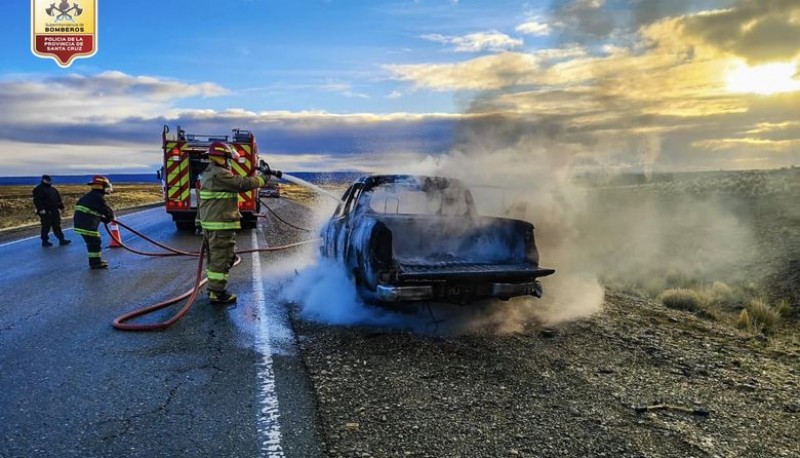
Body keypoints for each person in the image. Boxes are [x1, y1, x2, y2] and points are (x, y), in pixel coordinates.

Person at [198, 141, 281, 304]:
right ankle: (217, 293)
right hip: (220, 225)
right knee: (222, 258)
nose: (230, 163)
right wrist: (264, 179)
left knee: (217, 258)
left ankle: (214, 289)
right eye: (228, 159)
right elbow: (242, 184)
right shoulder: (220, 174)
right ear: (221, 158)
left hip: (213, 224)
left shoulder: (209, 173)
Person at [74, 175, 115, 269]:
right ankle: (95, 263)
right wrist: (109, 217)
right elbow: (106, 210)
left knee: (92, 243)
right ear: (102, 186)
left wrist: (103, 218)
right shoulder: (98, 197)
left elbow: (92, 211)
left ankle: (94, 262)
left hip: (80, 224)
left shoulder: (89, 196)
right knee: (95, 242)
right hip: (87, 225)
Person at [32, 174, 71, 247]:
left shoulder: (53, 190)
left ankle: (61, 240)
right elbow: (37, 201)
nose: (50, 181)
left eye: (50, 180)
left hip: (54, 210)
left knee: (57, 225)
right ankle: (44, 241)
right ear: (43, 180)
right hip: (46, 211)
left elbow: (58, 200)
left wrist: (61, 207)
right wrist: (41, 209)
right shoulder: (38, 189)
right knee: (46, 226)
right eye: (48, 180)